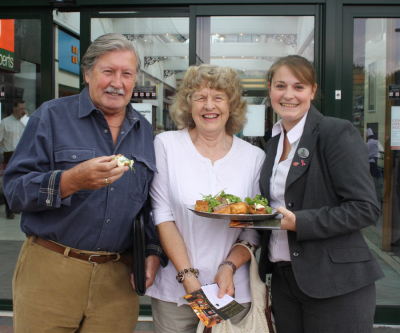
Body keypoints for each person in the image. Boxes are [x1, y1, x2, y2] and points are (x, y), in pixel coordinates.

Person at [3, 33, 167, 333]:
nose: (117, 82)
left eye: (126, 74)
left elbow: (147, 205)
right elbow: (13, 191)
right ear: (88, 73)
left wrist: (153, 251)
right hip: (52, 270)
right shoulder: (51, 117)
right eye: (108, 71)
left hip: (119, 279)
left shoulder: (144, 130)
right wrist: (70, 181)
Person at [258, 55, 384, 333]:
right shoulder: (273, 142)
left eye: (299, 87)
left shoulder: (336, 132)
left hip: (336, 282)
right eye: (280, 86)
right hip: (284, 279)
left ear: (313, 91)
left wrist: (300, 222)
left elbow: (365, 208)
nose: (288, 95)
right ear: (270, 89)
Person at [146, 64, 265, 333]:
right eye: (200, 97)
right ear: (188, 105)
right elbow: (162, 214)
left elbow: (254, 227)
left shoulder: (253, 157)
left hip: (230, 289)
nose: (208, 105)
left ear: (231, 105)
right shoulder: (166, 145)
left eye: (218, 97)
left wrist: (228, 267)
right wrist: (187, 276)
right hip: (175, 292)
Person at [0, 99, 27, 219]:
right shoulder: (5, 122)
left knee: (20, 180)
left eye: (24, 108)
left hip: (21, 153)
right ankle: (8, 209)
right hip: (8, 154)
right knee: (8, 181)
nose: (23, 110)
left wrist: (26, 118)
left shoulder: (24, 122)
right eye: (21, 108)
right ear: (14, 109)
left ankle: (17, 206)